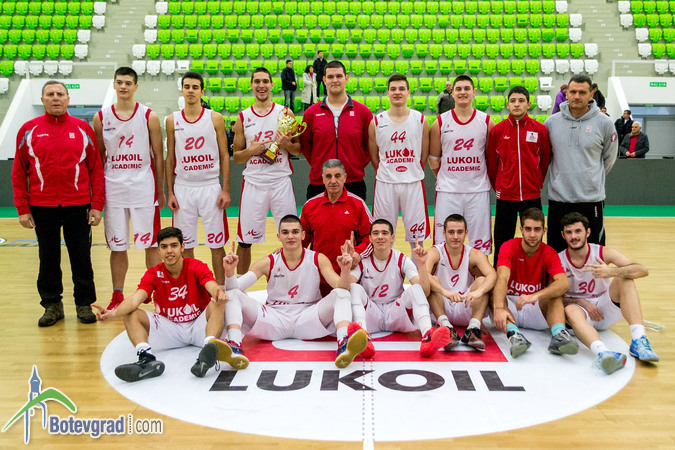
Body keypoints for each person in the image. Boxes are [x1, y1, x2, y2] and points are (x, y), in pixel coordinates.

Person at [12, 80, 104, 327]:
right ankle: (52, 305)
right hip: (42, 206)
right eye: (50, 94)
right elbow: (19, 172)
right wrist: (22, 209)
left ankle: (84, 304)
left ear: (68, 99)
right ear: (42, 100)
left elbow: (96, 170)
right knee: (48, 258)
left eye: (60, 94)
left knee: (81, 257)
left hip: (78, 205)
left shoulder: (83, 129)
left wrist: (97, 205)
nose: (55, 98)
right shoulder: (28, 130)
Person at [221, 215, 368, 369]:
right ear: (278, 236)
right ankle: (234, 346)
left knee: (342, 294)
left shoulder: (318, 259)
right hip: (274, 319)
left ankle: (344, 343)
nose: (290, 236)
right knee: (232, 294)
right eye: (285, 232)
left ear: (303, 235)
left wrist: (345, 271)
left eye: (295, 232)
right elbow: (235, 287)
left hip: (307, 317)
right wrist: (229, 273)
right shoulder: (268, 262)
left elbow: (341, 287)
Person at [94, 227, 232, 382]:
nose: (169, 251)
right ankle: (146, 359)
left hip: (197, 327)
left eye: (174, 245)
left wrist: (218, 293)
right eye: (164, 247)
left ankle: (208, 352)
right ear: (159, 250)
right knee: (131, 312)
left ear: (182, 247)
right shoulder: (154, 273)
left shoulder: (196, 266)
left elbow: (211, 285)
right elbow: (134, 300)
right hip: (170, 329)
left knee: (217, 303)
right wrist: (112, 314)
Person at [93, 66, 166, 311]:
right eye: (119, 82)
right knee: (117, 246)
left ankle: (155, 291)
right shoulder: (101, 117)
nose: (123, 86)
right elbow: (98, 159)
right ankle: (117, 294)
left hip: (143, 188)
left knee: (151, 244)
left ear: (136, 86)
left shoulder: (149, 116)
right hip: (113, 189)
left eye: (128, 83)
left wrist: (161, 190)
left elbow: (158, 156)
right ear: (114, 85)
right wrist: (97, 195)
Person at [559, 212, 659, 375]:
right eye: (569, 232)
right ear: (563, 235)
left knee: (625, 278)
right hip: (580, 312)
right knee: (569, 310)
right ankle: (603, 353)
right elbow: (551, 297)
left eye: (578, 231)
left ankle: (638, 340)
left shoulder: (602, 253)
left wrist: (611, 271)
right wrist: (581, 302)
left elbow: (642, 270)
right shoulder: (559, 260)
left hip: (605, 307)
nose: (574, 236)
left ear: (588, 232)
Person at [232, 67, 300, 275]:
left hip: (280, 182)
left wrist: (286, 144)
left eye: (265, 81)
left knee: (292, 237)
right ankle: (240, 287)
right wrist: (251, 151)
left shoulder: (285, 113)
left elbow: (297, 149)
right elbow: (237, 157)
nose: (261, 85)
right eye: (257, 82)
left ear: (271, 85)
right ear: (251, 85)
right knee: (245, 241)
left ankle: (295, 282)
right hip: (254, 183)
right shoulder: (243, 117)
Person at [349, 220, 451, 358]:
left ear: (392, 237)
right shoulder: (362, 261)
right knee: (354, 287)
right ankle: (362, 336)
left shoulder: (401, 259)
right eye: (376, 233)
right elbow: (346, 287)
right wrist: (346, 267)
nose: (380, 237)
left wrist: (421, 264)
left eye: (384, 233)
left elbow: (424, 291)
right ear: (370, 238)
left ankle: (427, 336)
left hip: (395, 312)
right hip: (371, 313)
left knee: (416, 288)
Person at [165, 71, 231, 285]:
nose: (191, 90)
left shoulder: (215, 118)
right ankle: (191, 289)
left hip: (210, 186)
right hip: (183, 188)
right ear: (181, 90)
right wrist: (170, 192)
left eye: (195, 87)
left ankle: (221, 289)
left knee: (216, 244)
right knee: (185, 245)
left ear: (202, 91)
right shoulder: (172, 120)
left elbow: (224, 155)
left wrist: (226, 189)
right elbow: (169, 158)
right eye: (187, 87)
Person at [545, 75, 618, 252]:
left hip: (590, 200)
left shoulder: (605, 123)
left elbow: (609, 159)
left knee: (594, 253)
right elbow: (547, 158)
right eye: (573, 92)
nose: (577, 96)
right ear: (566, 94)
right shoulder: (551, 123)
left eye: (582, 92)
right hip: (559, 200)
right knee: (556, 253)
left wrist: (590, 178)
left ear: (591, 94)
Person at [492, 208, 577, 358]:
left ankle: (559, 335)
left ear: (544, 230)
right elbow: (502, 278)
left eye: (537, 229)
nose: (532, 234)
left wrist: (535, 296)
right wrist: (498, 308)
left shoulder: (549, 252)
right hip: (510, 307)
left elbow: (564, 283)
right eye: (528, 229)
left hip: (535, 307)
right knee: (494, 289)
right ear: (521, 230)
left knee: (555, 293)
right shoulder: (509, 246)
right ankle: (514, 336)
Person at [429, 75, 494, 255]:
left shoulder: (486, 121)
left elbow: (490, 159)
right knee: (443, 245)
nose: (462, 92)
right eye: (458, 89)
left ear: (474, 92)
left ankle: (478, 274)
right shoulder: (440, 122)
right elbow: (433, 159)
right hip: (448, 192)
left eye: (467, 89)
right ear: (453, 92)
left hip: (478, 192)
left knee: (480, 247)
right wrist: (446, 178)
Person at [487, 86, 551, 266]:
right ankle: (500, 275)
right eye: (513, 101)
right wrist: (499, 186)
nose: (517, 104)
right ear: (507, 104)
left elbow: (544, 161)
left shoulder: (540, 130)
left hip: (531, 195)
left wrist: (537, 184)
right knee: (502, 240)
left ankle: (535, 273)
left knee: (534, 239)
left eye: (521, 101)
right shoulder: (498, 130)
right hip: (506, 196)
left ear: (529, 104)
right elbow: (492, 164)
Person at [369, 74, 430, 254]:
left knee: (417, 240)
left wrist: (410, 170)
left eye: (401, 89)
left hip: (413, 183)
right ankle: (384, 272)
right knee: (382, 237)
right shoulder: (376, 122)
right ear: (387, 92)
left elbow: (423, 156)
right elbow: (374, 158)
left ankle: (417, 273)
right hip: (386, 184)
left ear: (408, 92)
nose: (397, 92)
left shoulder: (420, 120)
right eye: (393, 89)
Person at [300, 60, 373, 200]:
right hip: (319, 182)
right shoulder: (311, 113)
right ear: (324, 80)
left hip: (353, 182)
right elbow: (306, 147)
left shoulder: (363, 112)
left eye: (339, 76)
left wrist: (354, 166)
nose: (335, 80)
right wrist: (320, 166)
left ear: (346, 78)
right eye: (330, 77)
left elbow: (369, 147)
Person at [301, 159, 373, 295]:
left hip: (350, 276)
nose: (333, 181)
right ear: (322, 179)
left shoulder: (358, 204)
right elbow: (300, 240)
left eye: (337, 176)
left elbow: (371, 237)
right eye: (328, 176)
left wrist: (358, 253)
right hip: (318, 277)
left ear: (345, 178)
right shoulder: (310, 206)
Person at [425, 215, 497, 351]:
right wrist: (445, 292)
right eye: (451, 232)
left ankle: (473, 329)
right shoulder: (435, 252)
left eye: (460, 232)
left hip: (465, 304)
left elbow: (492, 275)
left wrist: (478, 292)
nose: (455, 236)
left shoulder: (474, 254)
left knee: (482, 281)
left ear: (466, 233)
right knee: (432, 280)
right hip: (441, 306)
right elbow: (423, 275)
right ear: (444, 233)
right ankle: (446, 328)